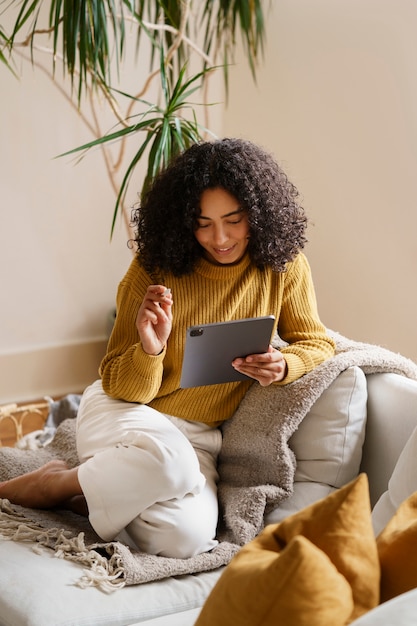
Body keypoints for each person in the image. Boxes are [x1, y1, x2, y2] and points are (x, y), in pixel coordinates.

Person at [0, 138, 335, 558]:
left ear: (259, 213)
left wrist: (285, 364)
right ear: (183, 221)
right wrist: (150, 350)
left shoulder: (283, 266)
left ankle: (85, 492)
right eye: (203, 223)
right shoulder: (152, 268)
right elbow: (120, 384)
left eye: (234, 220)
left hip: (197, 438)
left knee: (184, 539)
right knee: (168, 464)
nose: (220, 237)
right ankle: (56, 484)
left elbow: (317, 341)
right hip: (123, 413)